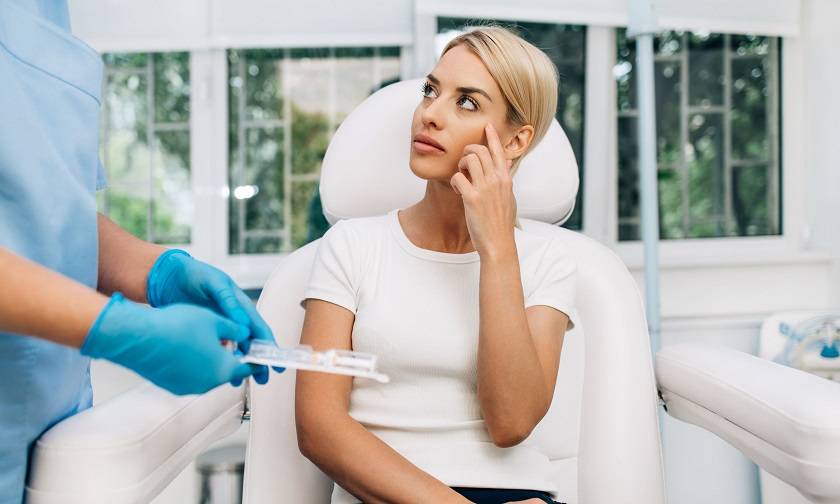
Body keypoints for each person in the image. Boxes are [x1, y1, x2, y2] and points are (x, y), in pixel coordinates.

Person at [0, 1, 280, 501]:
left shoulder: (44, 14)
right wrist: (120, 330)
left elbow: (43, 212)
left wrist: (159, 271)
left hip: (45, 445)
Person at [295, 27, 577, 504]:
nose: (429, 113)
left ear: (515, 141)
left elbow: (510, 423)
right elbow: (318, 427)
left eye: (466, 102)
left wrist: (498, 251)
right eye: (431, 90)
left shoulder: (548, 260)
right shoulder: (351, 246)